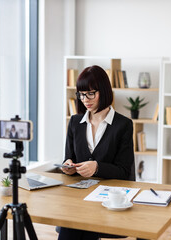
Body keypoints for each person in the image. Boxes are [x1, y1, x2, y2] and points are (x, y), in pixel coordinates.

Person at [58, 65, 135, 240]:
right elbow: (68, 158)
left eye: (91, 93)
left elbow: (124, 172)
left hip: (108, 199)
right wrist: (68, 165)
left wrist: (97, 168)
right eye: (82, 94)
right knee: (74, 224)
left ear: (104, 91)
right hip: (78, 197)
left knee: (78, 227)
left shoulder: (123, 125)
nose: (85, 99)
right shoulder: (75, 122)